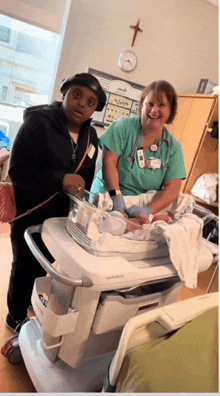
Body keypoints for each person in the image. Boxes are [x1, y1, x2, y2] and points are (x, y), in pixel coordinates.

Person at [6, 73, 106, 334]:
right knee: (25, 265)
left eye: (91, 101)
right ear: (64, 92)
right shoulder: (39, 123)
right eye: (77, 94)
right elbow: (17, 172)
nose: (82, 103)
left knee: (45, 264)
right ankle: (14, 315)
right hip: (30, 212)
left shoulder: (91, 138)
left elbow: (84, 178)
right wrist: (60, 179)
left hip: (61, 220)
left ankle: (31, 303)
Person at [91, 80, 186, 219]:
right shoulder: (122, 127)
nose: (154, 110)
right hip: (108, 195)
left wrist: (148, 210)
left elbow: (172, 189)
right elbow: (109, 162)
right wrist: (116, 198)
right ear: (142, 105)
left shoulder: (173, 148)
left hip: (141, 206)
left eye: (161, 105)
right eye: (150, 104)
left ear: (171, 110)